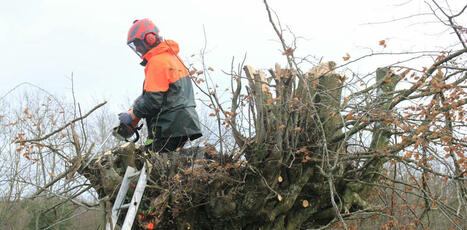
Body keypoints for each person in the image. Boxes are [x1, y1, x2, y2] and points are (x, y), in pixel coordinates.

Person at [118, 18, 202, 153]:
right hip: (181, 122)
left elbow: (153, 102)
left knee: (150, 158)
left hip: (169, 125)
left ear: (149, 39)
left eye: (138, 43)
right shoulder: (171, 58)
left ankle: (206, 155)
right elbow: (166, 92)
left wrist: (132, 116)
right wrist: (141, 100)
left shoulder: (156, 61)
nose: (138, 48)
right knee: (159, 157)